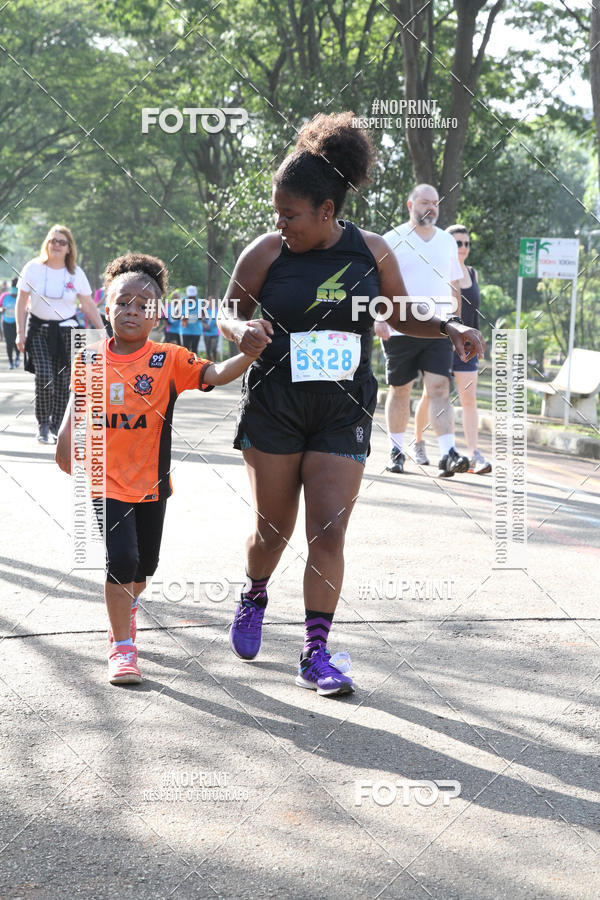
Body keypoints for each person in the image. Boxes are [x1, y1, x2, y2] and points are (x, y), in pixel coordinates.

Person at [218, 113, 484, 696]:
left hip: (342, 407)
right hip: (275, 405)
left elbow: (401, 310)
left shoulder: (370, 252)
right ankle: (255, 593)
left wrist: (449, 323)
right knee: (272, 532)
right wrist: (240, 333)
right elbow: (227, 310)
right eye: (276, 212)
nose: (279, 221)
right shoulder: (266, 253)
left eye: (289, 213)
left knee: (329, 532)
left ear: (326, 212)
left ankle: (316, 652)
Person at [55, 253, 260, 686]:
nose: (132, 311)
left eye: (142, 305)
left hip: (151, 485)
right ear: (106, 308)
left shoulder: (168, 359)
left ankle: (125, 606)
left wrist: (248, 353)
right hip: (106, 483)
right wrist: (67, 443)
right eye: (122, 302)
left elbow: (217, 372)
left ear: (157, 314)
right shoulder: (90, 361)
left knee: (144, 569)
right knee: (121, 560)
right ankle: (122, 647)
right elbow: (73, 418)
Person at [375, 184, 470, 478]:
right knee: (400, 389)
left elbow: (454, 284)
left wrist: (458, 324)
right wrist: (379, 317)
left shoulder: (446, 242)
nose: (431, 208)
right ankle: (396, 451)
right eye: (425, 202)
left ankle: (447, 454)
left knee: (440, 389)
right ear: (410, 204)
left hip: (439, 329)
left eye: (435, 204)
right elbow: (377, 282)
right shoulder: (392, 239)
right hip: (400, 327)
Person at [15, 225, 103, 444]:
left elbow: (88, 305)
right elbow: (21, 301)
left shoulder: (75, 273)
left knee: (65, 382)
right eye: (53, 240)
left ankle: (56, 427)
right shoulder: (33, 268)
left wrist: (102, 333)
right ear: (47, 243)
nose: (56, 245)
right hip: (38, 330)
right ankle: (43, 425)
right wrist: (19, 332)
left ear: (69, 248)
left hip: (69, 331)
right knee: (44, 376)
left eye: (62, 242)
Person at [0, 278, 20, 368]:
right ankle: (11, 362)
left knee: (16, 342)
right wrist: (2, 309)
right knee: (9, 343)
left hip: (16, 323)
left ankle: (17, 357)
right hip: (6, 323)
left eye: (15, 295)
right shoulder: (4, 296)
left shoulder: (20, 297)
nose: (14, 296)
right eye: (13, 294)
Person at [180, 284, 203, 354]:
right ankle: (185, 364)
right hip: (186, 330)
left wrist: (200, 316)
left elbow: (203, 315)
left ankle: (194, 364)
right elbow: (180, 315)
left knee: (194, 350)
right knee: (185, 350)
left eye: (193, 296)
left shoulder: (200, 302)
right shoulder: (183, 301)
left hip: (196, 330)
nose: (192, 298)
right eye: (190, 296)